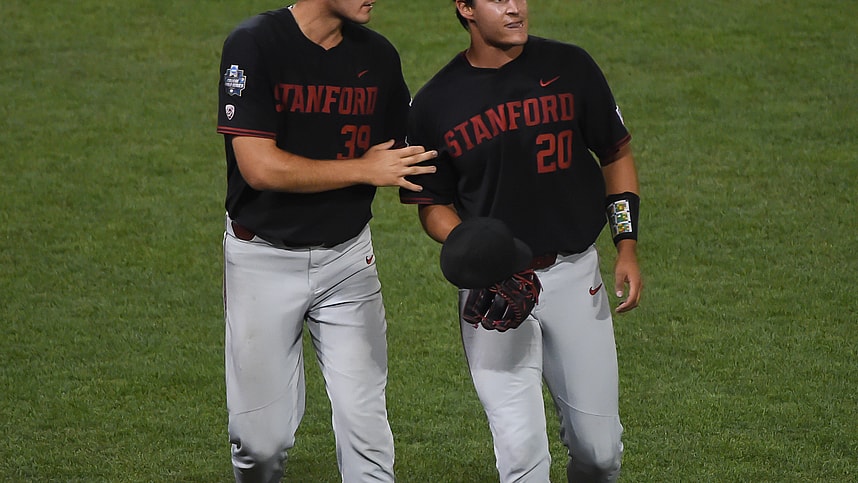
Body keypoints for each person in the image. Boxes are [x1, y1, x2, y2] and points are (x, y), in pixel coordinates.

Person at [400, 1, 643, 481]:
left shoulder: (571, 67)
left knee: (600, 454)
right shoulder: (434, 103)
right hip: (494, 289)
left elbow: (615, 155)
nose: (515, 8)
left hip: (574, 274)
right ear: (465, 8)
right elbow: (432, 204)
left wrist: (627, 244)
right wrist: (481, 253)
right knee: (521, 457)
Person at [216, 1, 437, 481]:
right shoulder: (254, 44)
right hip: (262, 260)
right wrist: (362, 169)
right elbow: (259, 167)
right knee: (260, 446)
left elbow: (411, 149)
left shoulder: (378, 56)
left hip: (348, 260)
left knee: (367, 433)